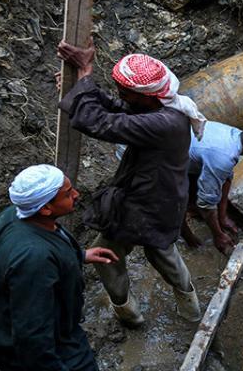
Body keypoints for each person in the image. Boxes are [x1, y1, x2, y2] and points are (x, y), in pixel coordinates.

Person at [56, 40, 205, 327]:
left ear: (147, 96)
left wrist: (85, 74)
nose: (119, 94)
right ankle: (177, 313)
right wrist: (79, 88)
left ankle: (148, 315)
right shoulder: (164, 107)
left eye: (125, 90)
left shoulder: (163, 123)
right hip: (151, 200)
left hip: (150, 204)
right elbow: (118, 107)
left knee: (143, 254)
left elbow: (101, 122)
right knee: (147, 252)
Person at [0, 164, 119, 371]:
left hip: (16, 330)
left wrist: (79, 255)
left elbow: (48, 244)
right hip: (49, 347)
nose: (76, 194)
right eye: (67, 194)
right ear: (45, 208)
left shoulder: (13, 216)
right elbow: (32, 337)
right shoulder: (34, 260)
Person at [180, 121, 243, 253]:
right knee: (177, 200)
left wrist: (223, 216)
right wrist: (218, 235)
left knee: (205, 190)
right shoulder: (223, 157)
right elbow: (206, 204)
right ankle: (185, 233)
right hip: (163, 158)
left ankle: (192, 209)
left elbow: (226, 177)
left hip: (186, 150)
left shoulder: (236, 136)